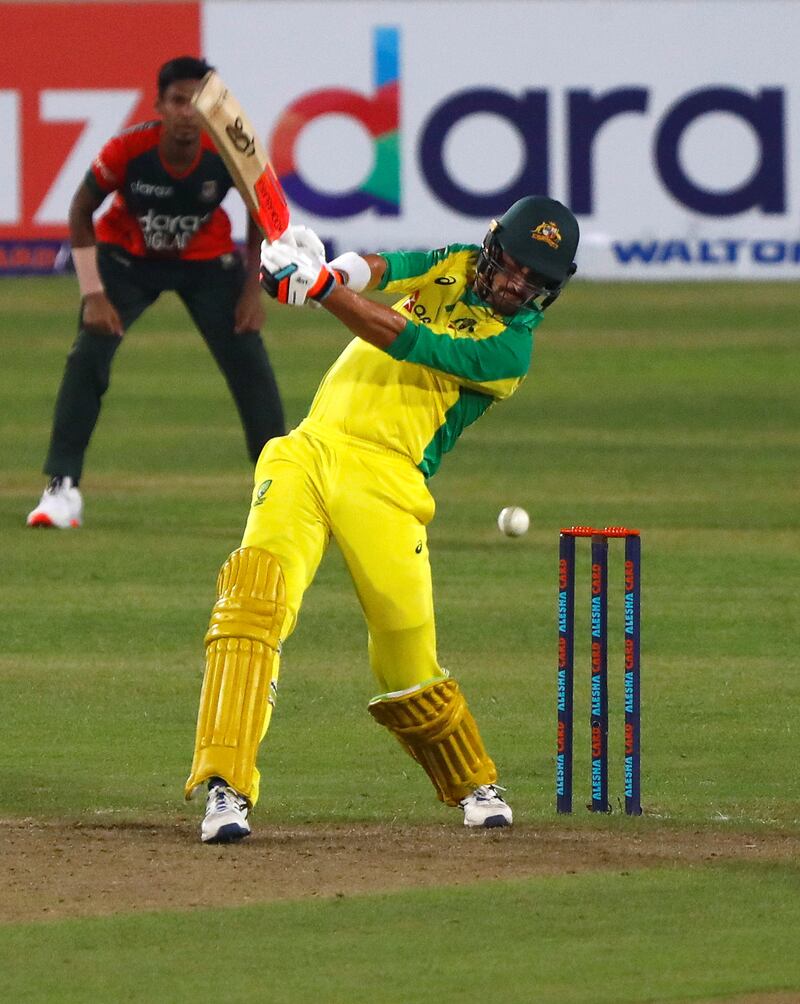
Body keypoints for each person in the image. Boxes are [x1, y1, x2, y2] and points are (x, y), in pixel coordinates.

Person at [185, 195, 580, 843]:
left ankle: (473, 780)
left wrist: (316, 292)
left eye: (532, 280)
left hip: (390, 484)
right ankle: (226, 788)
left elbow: (401, 337)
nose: (514, 284)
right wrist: (331, 269)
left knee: (406, 655)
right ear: (489, 250)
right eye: (510, 265)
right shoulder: (453, 263)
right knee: (252, 601)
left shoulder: (509, 352)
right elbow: (387, 266)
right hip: (308, 452)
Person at [26, 56, 285, 529]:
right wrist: (93, 295)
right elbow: (81, 210)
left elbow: (261, 213)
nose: (188, 113)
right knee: (88, 357)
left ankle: (286, 491)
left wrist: (254, 290)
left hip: (207, 264)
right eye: (178, 102)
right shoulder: (128, 150)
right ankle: (61, 489)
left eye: (197, 103)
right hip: (127, 261)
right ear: (160, 106)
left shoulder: (228, 150)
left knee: (250, 363)